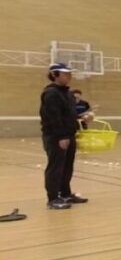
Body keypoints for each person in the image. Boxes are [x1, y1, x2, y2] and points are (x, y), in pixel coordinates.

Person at [40, 63, 90, 210]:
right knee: (56, 167)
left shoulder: (68, 94)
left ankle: (65, 194)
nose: (69, 76)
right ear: (55, 75)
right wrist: (61, 136)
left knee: (67, 167)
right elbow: (52, 117)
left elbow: (68, 115)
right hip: (56, 137)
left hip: (69, 135)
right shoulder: (51, 93)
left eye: (69, 73)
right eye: (65, 73)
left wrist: (82, 119)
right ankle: (53, 198)